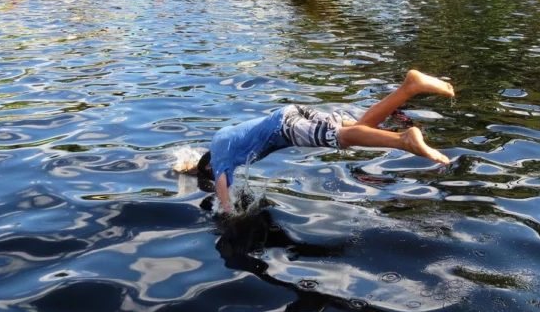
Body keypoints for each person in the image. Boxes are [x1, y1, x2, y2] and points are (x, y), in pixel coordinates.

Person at [176, 70, 455, 214]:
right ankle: (409, 87)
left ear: (210, 167)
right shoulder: (219, 141)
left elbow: (223, 195)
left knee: (342, 139)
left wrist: (227, 216)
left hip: (284, 128)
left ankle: (404, 140)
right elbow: (203, 163)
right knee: (361, 128)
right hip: (289, 113)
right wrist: (189, 168)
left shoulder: (221, 160)